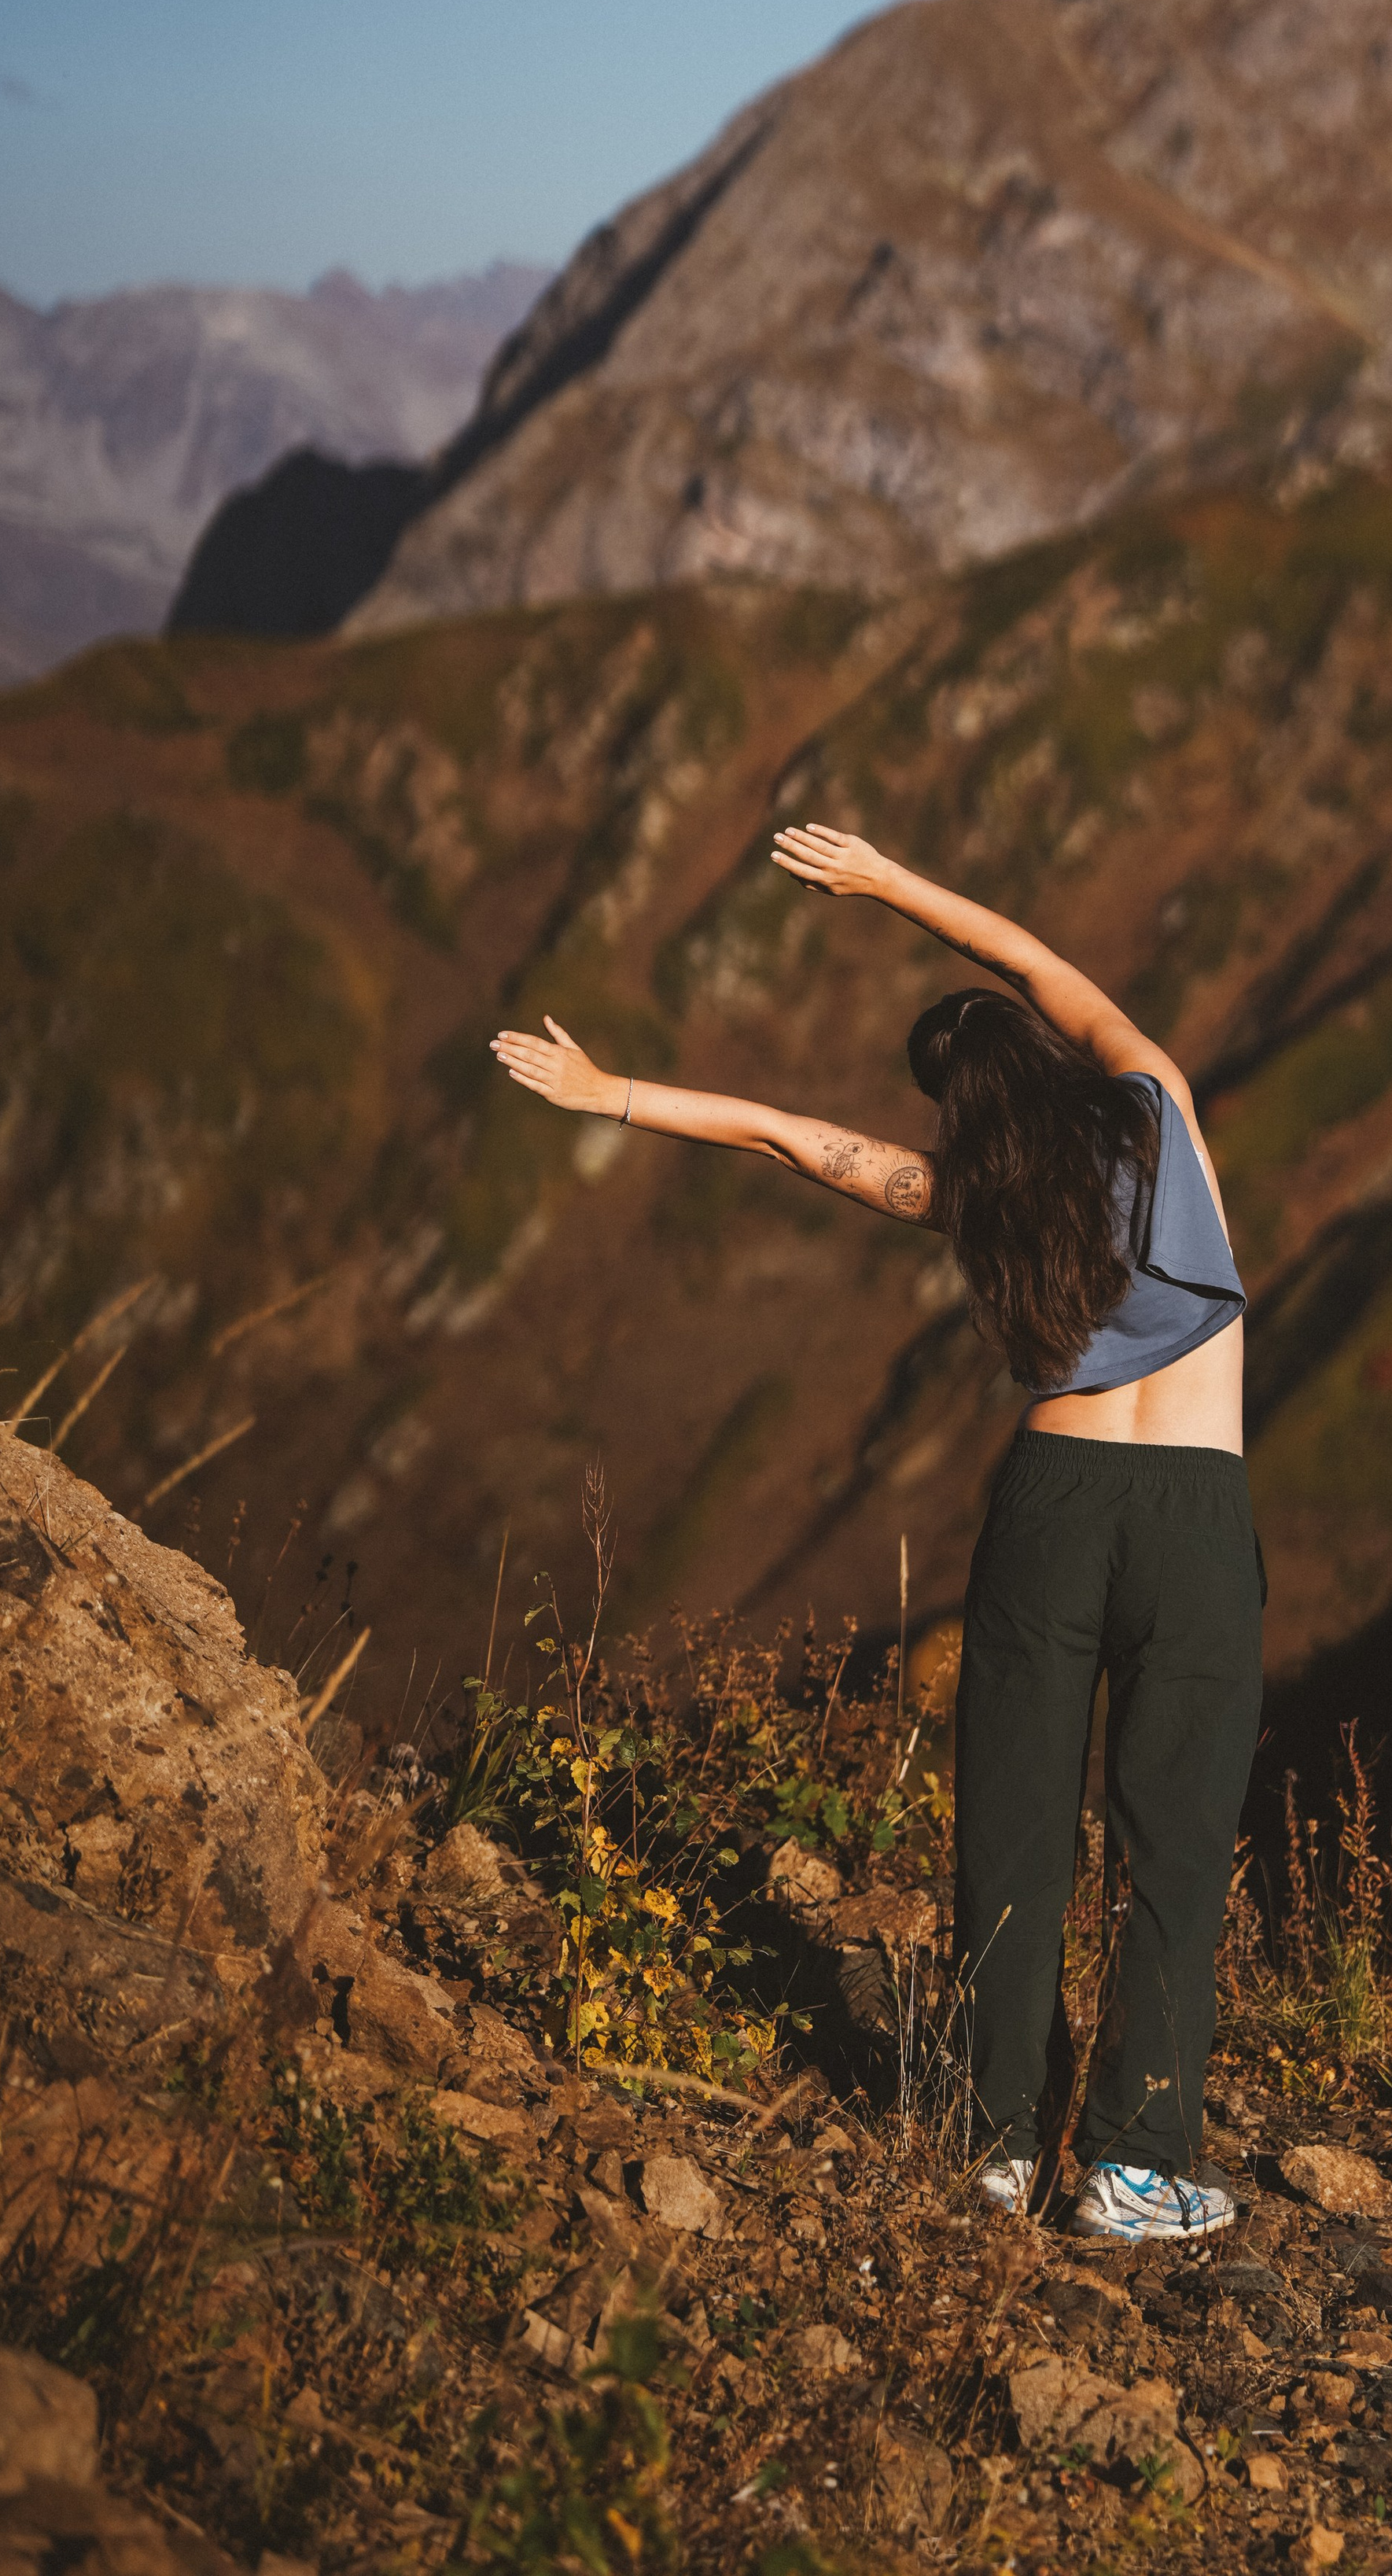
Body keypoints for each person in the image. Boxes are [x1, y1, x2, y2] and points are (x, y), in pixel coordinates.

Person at [489, 824, 1262, 2243]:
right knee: (1174, 1846)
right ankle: (1135, 2164)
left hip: (1050, 1506)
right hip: (1195, 1519)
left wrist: (611, 1094)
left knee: (1015, 1835)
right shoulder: (1158, 1100)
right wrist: (889, 883)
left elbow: (789, 1139)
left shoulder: (974, 1201)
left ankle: (997, 2148)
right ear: (1046, 1057)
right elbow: (1031, 959)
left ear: (959, 1115)